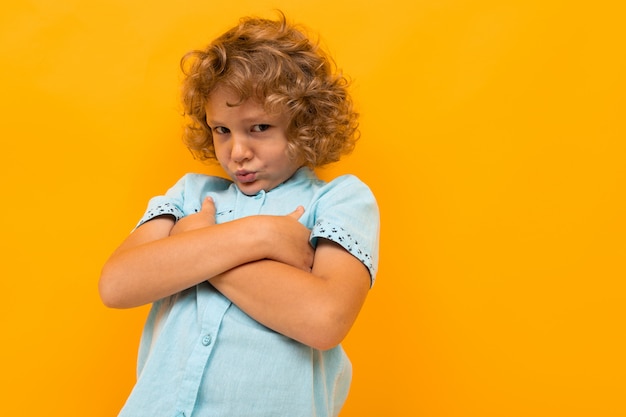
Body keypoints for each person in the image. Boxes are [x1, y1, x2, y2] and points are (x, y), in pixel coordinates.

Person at [99, 12, 380, 417]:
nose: (236, 151)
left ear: (303, 123)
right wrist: (259, 236)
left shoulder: (340, 200)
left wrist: (190, 248)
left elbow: (324, 319)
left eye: (260, 127)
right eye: (222, 130)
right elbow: (117, 284)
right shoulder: (190, 194)